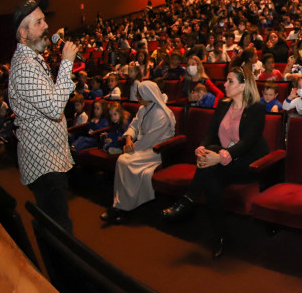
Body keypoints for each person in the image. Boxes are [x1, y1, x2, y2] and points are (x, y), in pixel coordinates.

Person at [162, 67, 268, 257]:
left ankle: (189, 202)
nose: (225, 85)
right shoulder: (223, 105)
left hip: (248, 163)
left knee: (210, 168)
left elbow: (247, 143)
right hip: (223, 160)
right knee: (210, 174)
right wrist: (202, 149)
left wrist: (219, 157)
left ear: (243, 86)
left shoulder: (256, 109)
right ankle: (220, 234)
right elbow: (210, 133)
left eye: (230, 81)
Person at [9, 0, 78, 232]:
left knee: (56, 223)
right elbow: (53, 108)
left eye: (44, 19)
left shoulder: (31, 59)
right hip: (44, 163)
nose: (46, 25)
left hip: (50, 157)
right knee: (60, 229)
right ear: (23, 32)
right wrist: (67, 63)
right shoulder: (25, 66)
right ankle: (66, 268)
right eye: (38, 22)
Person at [101, 81, 175, 225]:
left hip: (157, 151)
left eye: (139, 94)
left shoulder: (162, 114)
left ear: (148, 95)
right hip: (142, 148)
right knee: (124, 161)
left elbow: (150, 139)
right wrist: (128, 139)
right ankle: (121, 206)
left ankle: (122, 206)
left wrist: (132, 148)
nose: (136, 96)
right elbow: (134, 125)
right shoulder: (143, 108)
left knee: (124, 160)